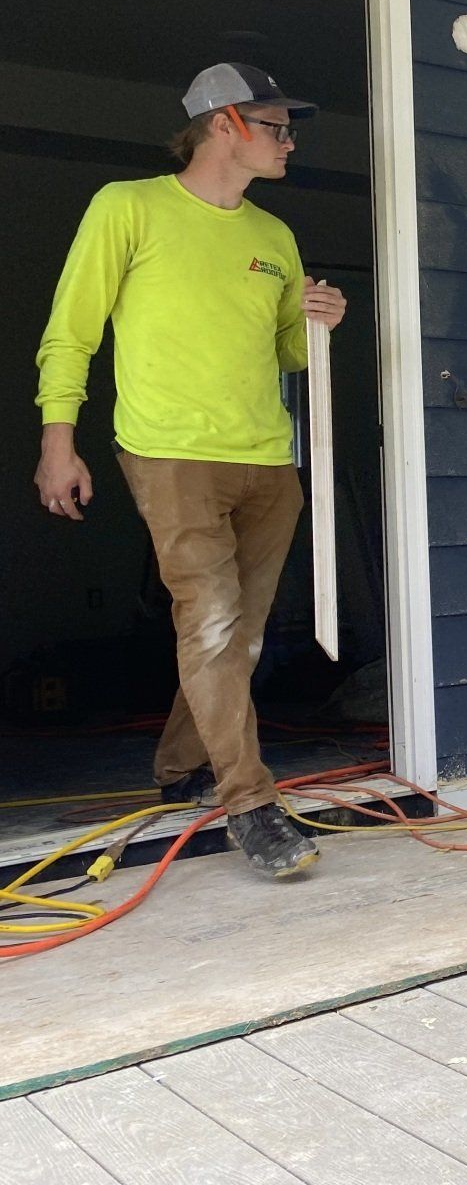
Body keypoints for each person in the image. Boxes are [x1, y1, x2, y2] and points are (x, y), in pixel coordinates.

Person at [33, 62, 347, 878]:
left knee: (236, 636)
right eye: (276, 126)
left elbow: (281, 353)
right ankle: (250, 804)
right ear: (224, 126)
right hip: (170, 453)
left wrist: (317, 324)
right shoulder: (128, 207)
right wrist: (56, 442)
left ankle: (178, 769)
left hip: (268, 459)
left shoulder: (273, 237)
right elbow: (72, 333)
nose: (290, 141)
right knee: (209, 623)